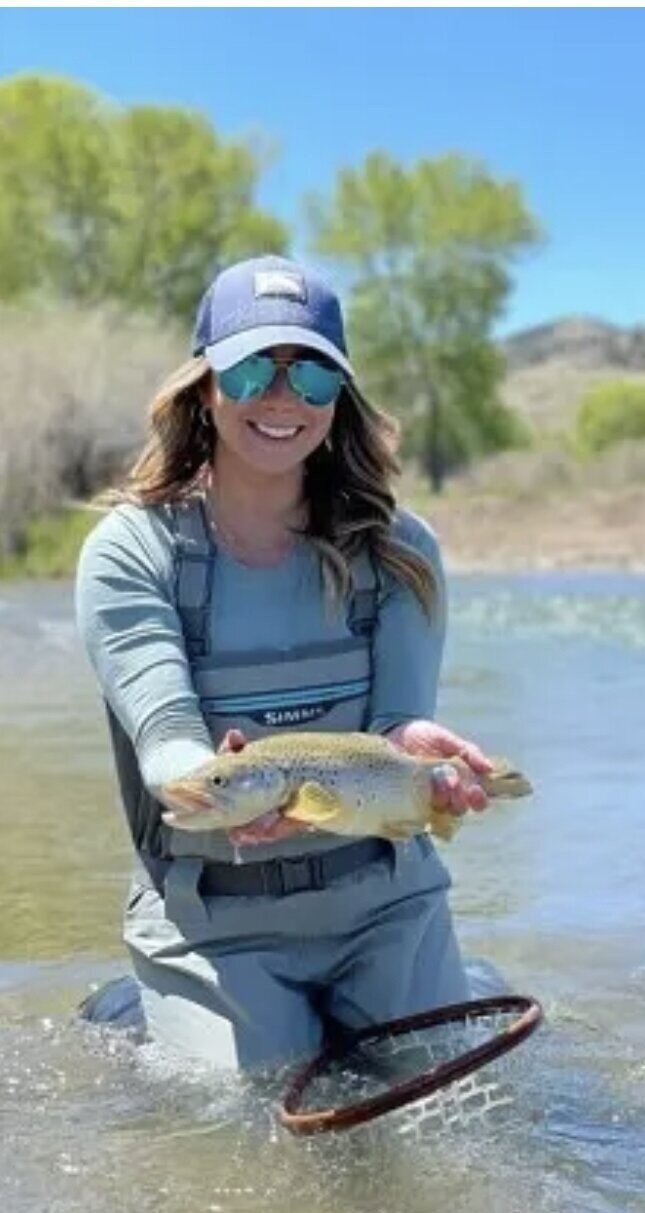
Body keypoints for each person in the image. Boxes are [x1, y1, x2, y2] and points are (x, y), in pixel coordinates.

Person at [75, 254, 494, 1073]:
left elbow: (393, 727)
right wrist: (219, 788)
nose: (281, 398)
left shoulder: (400, 550)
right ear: (204, 385)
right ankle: (142, 1006)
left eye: (310, 375)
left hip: (386, 902)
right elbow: (167, 745)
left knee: (454, 1097)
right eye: (252, 367)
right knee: (242, 1112)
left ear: (339, 398)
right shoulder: (131, 552)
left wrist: (421, 751)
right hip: (214, 918)